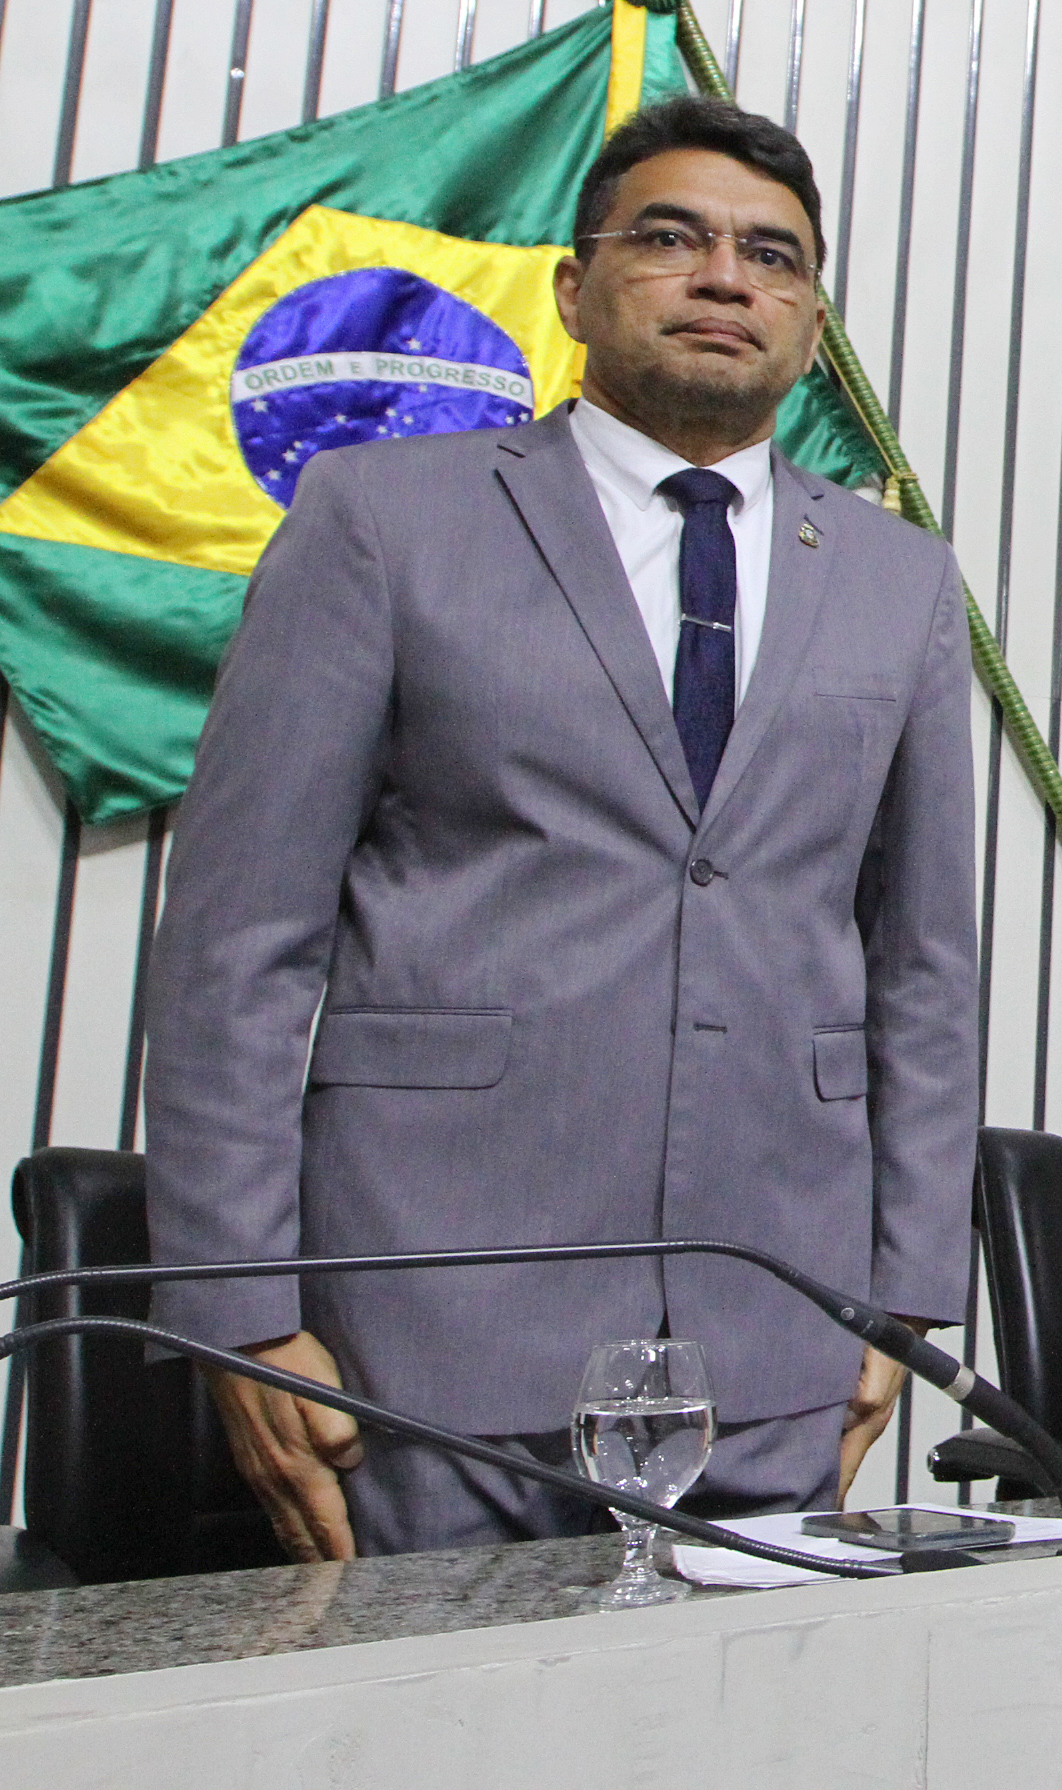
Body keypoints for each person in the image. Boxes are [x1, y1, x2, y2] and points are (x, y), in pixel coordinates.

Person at [142, 97, 981, 1560]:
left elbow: (924, 967)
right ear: (574, 288)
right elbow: (240, 941)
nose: (725, 278)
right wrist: (237, 1310)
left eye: (773, 257)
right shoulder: (383, 519)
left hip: (774, 1328)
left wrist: (902, 1301)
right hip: (426, 1326)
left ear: (811, 320)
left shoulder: (899, 578)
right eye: (672, 238)